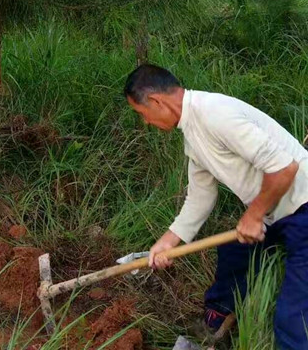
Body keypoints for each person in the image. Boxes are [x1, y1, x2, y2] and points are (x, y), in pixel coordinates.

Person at [124, 63, 308, 350]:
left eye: (141, 113)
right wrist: (169, 241)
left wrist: (254, 215)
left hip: (304, 210)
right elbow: (200, 197)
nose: (145, 122)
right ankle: (217, 322)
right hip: (279, 215)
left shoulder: (215, 114)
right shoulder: (193, 135)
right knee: (234, 253)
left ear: (157, 101)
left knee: (293, 321)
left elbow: (285, 168)